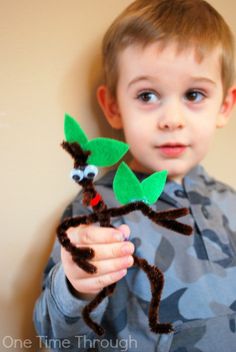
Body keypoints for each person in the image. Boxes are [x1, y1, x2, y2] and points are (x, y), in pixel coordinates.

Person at [34, 0, 236, 351]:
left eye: (194, 94)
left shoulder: (231, 203)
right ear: (113, 106)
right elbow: (55, 341)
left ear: (224, 106)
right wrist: (75, 286)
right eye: (147, 95)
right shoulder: (94, 212)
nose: (172, 119)